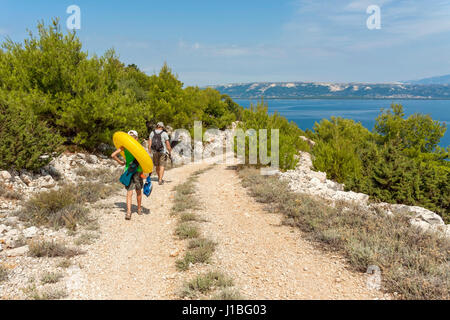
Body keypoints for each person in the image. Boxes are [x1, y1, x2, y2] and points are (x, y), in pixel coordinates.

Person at [111, 130, 144, 220]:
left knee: (129, 192)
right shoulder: (139, 147)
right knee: (138, 191)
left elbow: (113, 155)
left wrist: (121, 162)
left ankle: (128, 212)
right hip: (138, 171)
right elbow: (144, 160)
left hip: (128, 171)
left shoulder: (124, 147)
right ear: (136, 138)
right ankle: (139, 209)